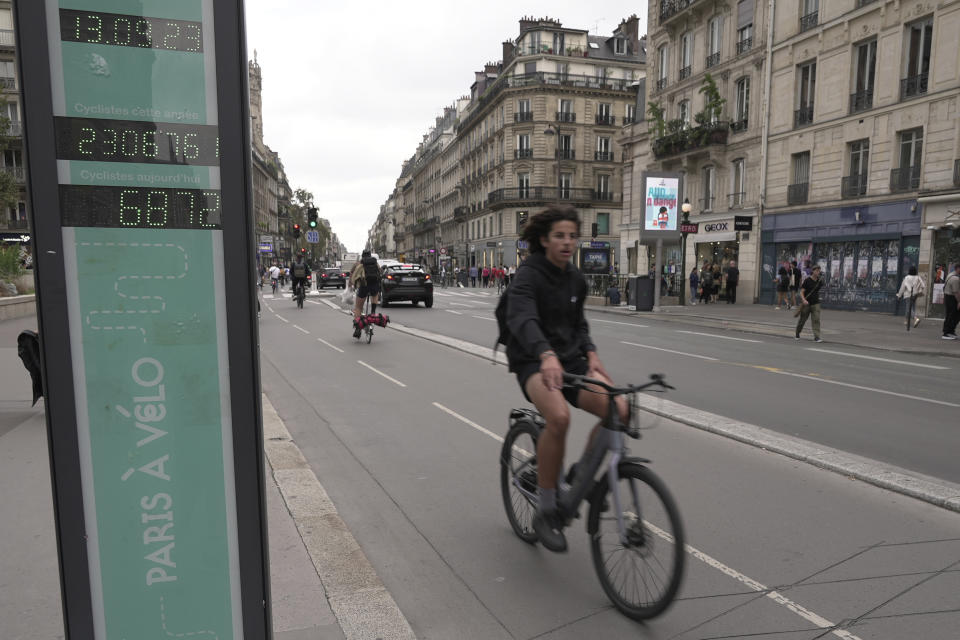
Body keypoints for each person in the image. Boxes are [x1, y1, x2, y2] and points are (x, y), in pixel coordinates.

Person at [505, 204, 626, 553]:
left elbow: (579, 324)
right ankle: (545, 510)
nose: (567, 242)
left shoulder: (575, 279)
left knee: (619, 409)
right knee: (558, 417)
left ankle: (580, 477)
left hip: (570, 361)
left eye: (572, 236)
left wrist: (591, 353)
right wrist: (544, 355)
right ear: (544, 239)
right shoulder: (529, 274)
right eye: (560, 236)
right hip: (532, 360)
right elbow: (523, 318)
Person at [351, 250, 382, 338]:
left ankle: (357, 328)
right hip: (374, 285)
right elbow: (380, 272)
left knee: (358, 307)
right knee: (375, 294)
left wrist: (354, 285)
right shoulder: (375, 263)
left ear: (363, 256)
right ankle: (373, 311)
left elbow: (354, 277)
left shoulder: (361, 264)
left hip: (364, 286)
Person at [795, 265, 824, 342]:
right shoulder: (807, 280)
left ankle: (817, 336)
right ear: (813, 271)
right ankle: (797, 332)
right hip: (807, 303)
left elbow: (818, 289)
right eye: (817, 271)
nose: (818, 272)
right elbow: (801, 292)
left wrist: (822, 279)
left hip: (816, 303)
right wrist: (804, 300)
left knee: (816, 320)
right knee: (802, 320)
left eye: (819, 271)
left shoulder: (819, 281)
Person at [942, 263, 960, 340]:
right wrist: (959, 301)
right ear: (958, 268)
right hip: (952, 298)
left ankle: (950, 331)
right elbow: (956, 292)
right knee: (952, 315)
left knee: (951, 315)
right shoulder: (955, 278)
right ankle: (946, 333)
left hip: (948, 297)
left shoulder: (950, 275)